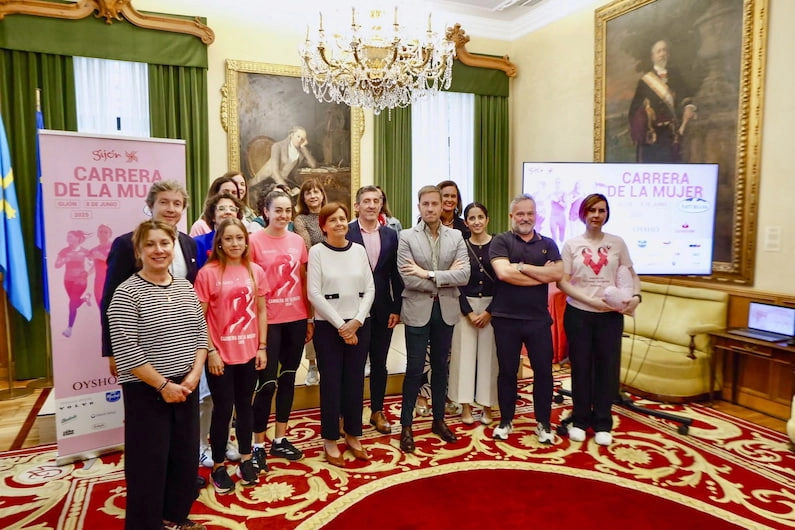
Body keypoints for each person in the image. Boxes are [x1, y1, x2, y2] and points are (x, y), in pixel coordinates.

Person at [107, 219, 208, 530]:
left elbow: (201, 333)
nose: (158, 250)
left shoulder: (184, 287)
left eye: (164, 243)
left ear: (173, 247)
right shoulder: (126, 294)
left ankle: (175, 516)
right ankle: (147, 524)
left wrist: (194, 374)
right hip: (147, 391)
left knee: (184, 457)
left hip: (186, 386)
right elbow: (127, 351)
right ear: (138, 251)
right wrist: (163, 385)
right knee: (149, 463)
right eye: (149, 244)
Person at [557, 193, 641, 446]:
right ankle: (580, 420)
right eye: (591, 210)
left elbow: (631, 275)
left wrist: (636, 297)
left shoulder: (617, 243)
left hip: (610, 317)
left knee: (607, 368)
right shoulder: (571, 244)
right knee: (581, 368)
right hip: (579, 314)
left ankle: (603, 422)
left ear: (607, 214)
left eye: (601, 210)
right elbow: (562, 282)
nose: (596, 215)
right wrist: (590, 301)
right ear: (583, 213)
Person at [194, 218, 268, 493]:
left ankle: (246, 459)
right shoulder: (208, 273)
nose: (235, 243)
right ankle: (218, 465)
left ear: (246, 242)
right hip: (221, 356)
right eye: (229, 239)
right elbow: (200, 318)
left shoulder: (255, 271)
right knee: (223, 410)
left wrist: (262, 347)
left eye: (240, 238)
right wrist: (211, 352)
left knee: (245, 407)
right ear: (220, 243)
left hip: (249, 352)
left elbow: (261, 310)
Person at [397, 185, 469, 453]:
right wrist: (446, 277)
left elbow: (464, 275)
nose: (430, 208)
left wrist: (428, 274)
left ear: (442, 206)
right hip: (417, 309)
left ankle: (439, 420)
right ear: (419, 206)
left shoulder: (456, 236)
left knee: (441, 368)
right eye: (425, 204)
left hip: (446, 310)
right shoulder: (406, 237)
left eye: (434, 204)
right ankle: (406, 426)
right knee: (415, 369)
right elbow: (408, 279)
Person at [101, 180, 198, 377]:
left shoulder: (189, 243)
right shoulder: (126, 244)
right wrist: (111, 350)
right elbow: (110, 299)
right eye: (164, 202)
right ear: (150, 205)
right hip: (142, 347)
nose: (171, 209)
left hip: (181, 346)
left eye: (177, 204)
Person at [489, 194, 562, 444]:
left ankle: (543, 423)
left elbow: (558, 273)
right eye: (520, 213)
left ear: (536, 216)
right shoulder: (501, 241)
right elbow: (503, 273)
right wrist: (542, 275)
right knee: (507, 371)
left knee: (544, 372)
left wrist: (522, 267)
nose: (525, 218)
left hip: (538, 319)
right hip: (506, 318)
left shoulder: (548, 243)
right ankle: (505, 421)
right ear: (512, 216)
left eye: (530, 213)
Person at [249, 189, 314, 469]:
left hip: (296, 319)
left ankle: (280, 438)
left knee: (288, 379)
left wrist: (309, 318)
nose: (284, 215)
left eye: (288, 210)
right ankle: (257, 445)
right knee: (267, 384)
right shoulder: (253, 241)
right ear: (266, 212)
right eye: (278, 210)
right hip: (268, 322)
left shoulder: (297, 241)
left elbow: (303, 279)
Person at [308, 202, 375, 466]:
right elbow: (314, 293)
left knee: (355, 381)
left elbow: (370, 288)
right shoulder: (317, 252)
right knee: (332, 383)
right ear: (323, 226)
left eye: (342, 218)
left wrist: (356, 321)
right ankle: (330, 439)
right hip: (328, 327)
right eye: (333, 220)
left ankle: (353, 434)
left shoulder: (358, 250)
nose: (339, 223)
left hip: (359, 324)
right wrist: (341, 326)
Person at [346, 186, 403, 435]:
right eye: (366, 201)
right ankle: (350, 413)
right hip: (353, 308)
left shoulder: (391, 235)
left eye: (376, 201)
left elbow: (396, 274)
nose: (371, 205)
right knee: (354, 364)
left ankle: (377, 410)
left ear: (381, 204)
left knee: (380, 362)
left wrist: (396, 307)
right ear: (357, 206)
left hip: (382, 308)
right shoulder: (347, 232)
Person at [448, 202, 498, 426]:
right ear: (466, 222)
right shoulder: (461, 246)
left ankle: (487, 406)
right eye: (472, 218)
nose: (477, 222)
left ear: (487, 219)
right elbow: (455, 282)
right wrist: (468, 312)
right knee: (463, 357)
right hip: (464, 307)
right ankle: (465, 405)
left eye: (480, 217)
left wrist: (489, 311)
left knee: (489, 358)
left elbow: (503, 282)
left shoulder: (498, 245)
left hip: (491, 308)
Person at [629, 39, 697, 163]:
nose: (662, 53)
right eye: (659, 51)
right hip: (652, 135)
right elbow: (634, 109)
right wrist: (641, 121)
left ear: (668, 54)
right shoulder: (645, 81)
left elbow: (685, 95)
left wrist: (689, 107)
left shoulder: (676, 76)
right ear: (653, 56)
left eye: (664, 50)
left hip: (672, 133)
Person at [293, 178, 327, 386]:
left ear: (322, 194)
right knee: (312, 320)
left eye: (316, 191)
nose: (313, 195)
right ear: (303, 198)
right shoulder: (301, 219)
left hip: (335, 275)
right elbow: (307, 247)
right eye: (308, 192)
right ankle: (312, 365)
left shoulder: (330, 214)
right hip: (312, 273)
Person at [250, 126, 319, 194]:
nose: (299, 140)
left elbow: (313, 165)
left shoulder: (300, 152)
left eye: (302, 139)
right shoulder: (278, 146)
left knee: (301, 193)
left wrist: (303, 147)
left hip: (282, 181)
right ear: (291, 135)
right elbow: (275, 171)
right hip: (266, 180)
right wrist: (284, 186)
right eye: (298, 136)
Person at [55, 230, 92, 338]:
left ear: (77, 238)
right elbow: (56, 265)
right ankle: (85, 299)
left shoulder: (85, 251)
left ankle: (69, 328)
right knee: (74, 303)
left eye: (70, 236)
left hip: (80, 280)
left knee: (72, 304)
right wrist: (64, 260)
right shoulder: (64, 251)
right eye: (67, 236)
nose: (68, 238)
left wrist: (88, 269)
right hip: (67, 280)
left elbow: (92, 263)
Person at [193, 192, 245, 269]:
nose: (228, 212)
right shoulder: (199, 243)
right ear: (213, 216)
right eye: (221, 208)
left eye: (232, 209)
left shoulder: (245, 241)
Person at [89, 224, 113, 307]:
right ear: (97, 234)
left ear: (110, 234)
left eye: (105, 232)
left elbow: (119, 263)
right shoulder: (94, 250)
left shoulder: (115, 247)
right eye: (100, 232)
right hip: (98, 282)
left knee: (111, 306)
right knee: (100, 305)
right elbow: (95, 266)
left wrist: (102, 257)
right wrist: (86, 274)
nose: (102, 234)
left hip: (111, 280)